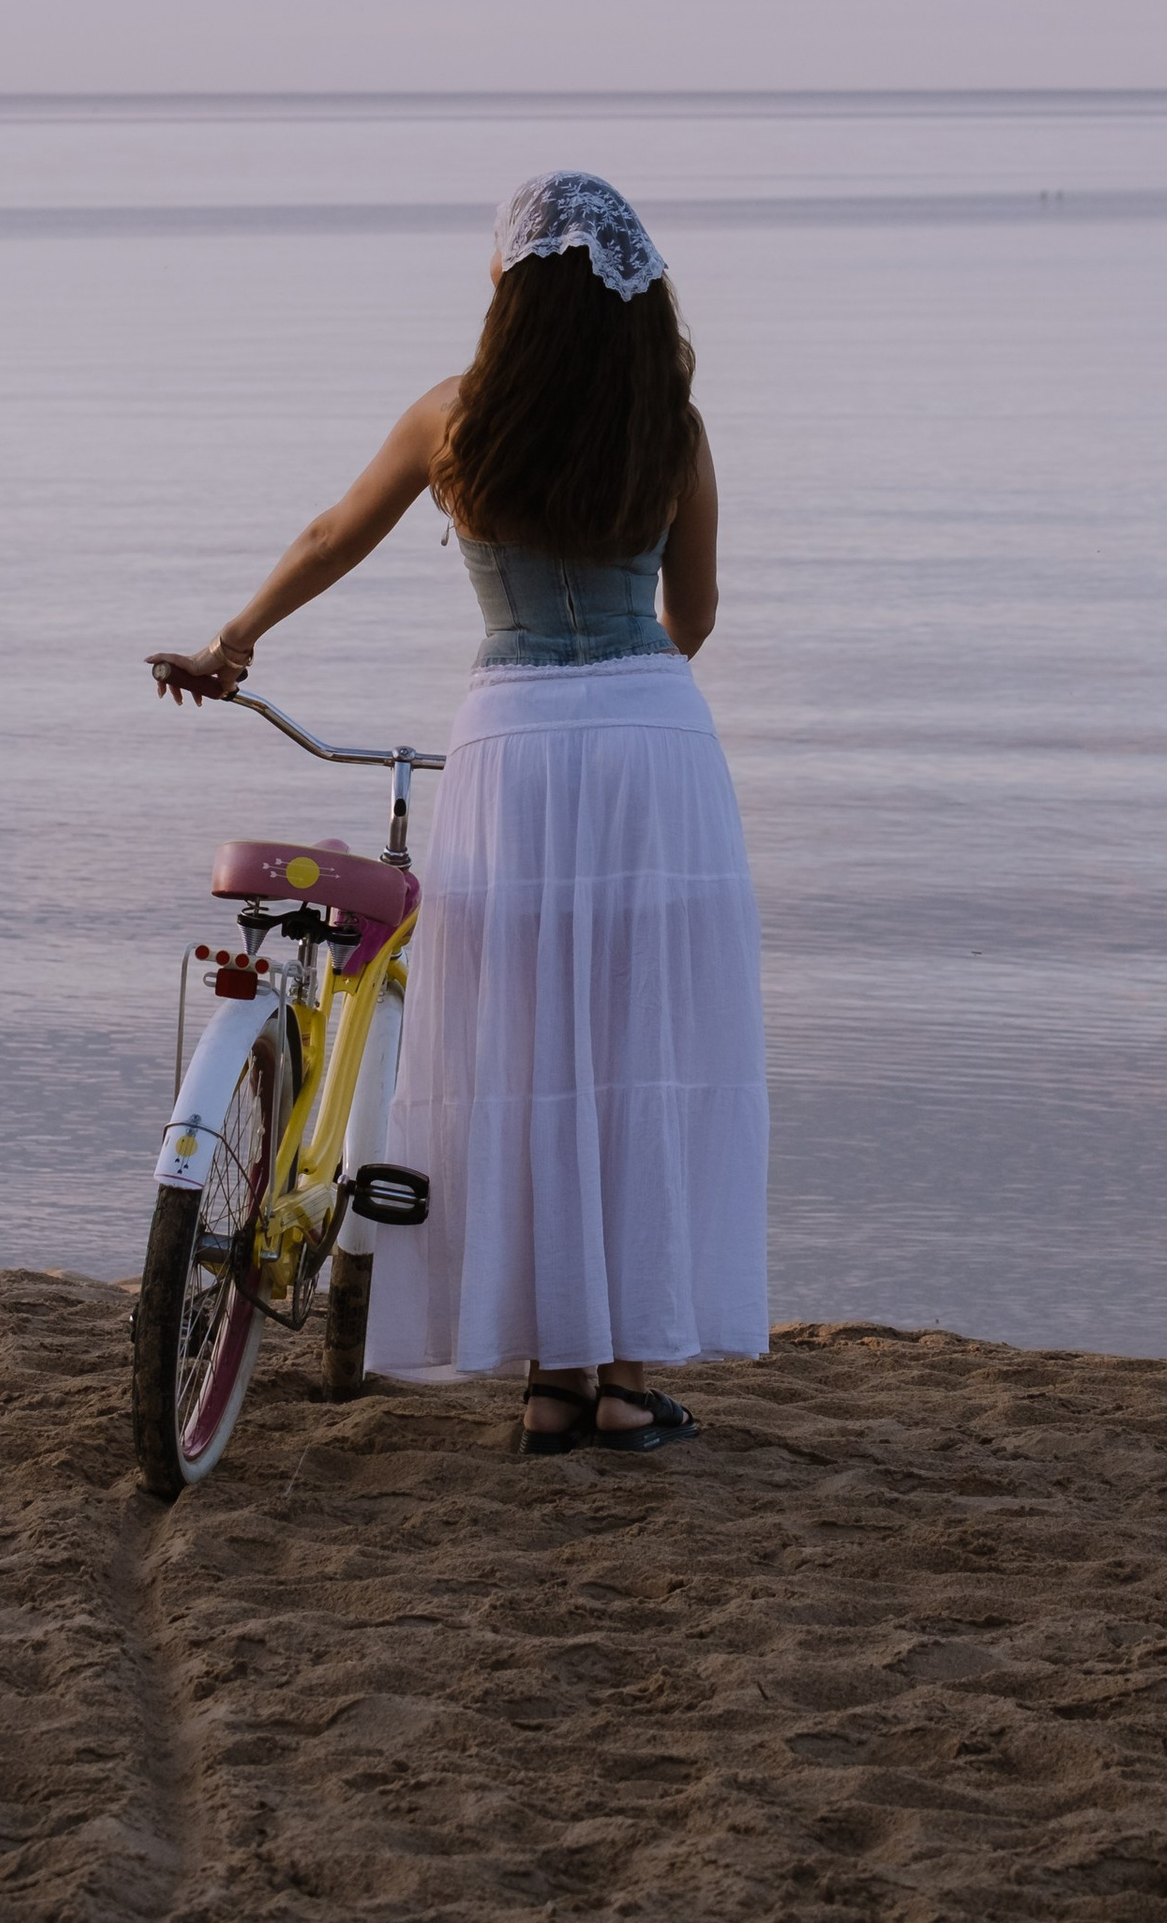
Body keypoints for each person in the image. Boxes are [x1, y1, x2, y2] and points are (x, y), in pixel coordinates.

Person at [151, 171, 768, 1455]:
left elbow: (334, 532)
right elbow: (693, 616)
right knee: (633, 1047)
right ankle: (625, 1378)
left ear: (509, 290)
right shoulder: (674, 425)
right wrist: (625, 690)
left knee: (526, 1048)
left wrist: (235, 641)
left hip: (513, 747)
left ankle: (546, 1379)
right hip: (654, 742)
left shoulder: (456, 417)